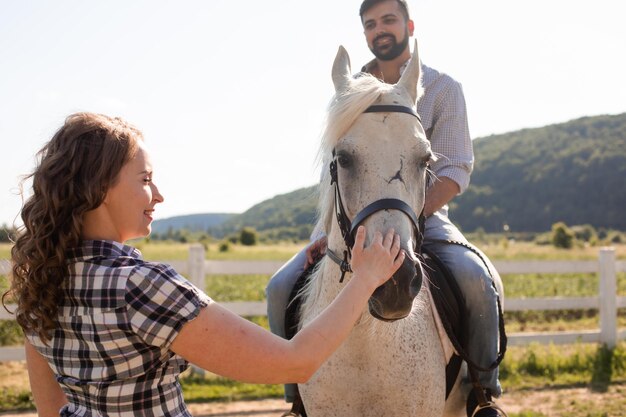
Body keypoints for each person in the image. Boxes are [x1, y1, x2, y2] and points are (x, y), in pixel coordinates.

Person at [2, 112, 406, 417]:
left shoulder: (42, 279)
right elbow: (296, 362)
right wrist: (366, 277)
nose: (158, 194)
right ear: (99, 188)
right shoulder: (141, 286)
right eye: (145, 179)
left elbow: (50, 411)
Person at [265, 1, 505, 416]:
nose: (380, 29)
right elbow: (338, 170)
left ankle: (483, 393)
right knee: (280, 286)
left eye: (389, 20)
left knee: (474, 278)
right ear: (365, 33)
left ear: (408, 25)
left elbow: (454, 168)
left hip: (426, 216)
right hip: (352, 220)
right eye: (371, 24)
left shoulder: (444, 88)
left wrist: (412, 218)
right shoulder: (350, 92)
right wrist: (325, 233)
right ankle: (297, 398)